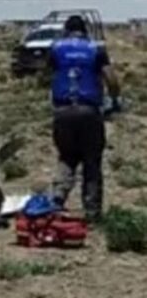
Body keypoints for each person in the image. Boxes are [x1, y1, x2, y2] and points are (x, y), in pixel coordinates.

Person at [49, 15, 121, 221]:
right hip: (89, 111)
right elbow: (111, 79)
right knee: (91, 160)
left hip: (63, 111)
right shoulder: (96, 49)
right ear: (85, 30)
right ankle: (92, 211)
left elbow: (50, 74)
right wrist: (114, 99)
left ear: (66, 30)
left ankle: (57, 198)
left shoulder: (56, 49)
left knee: (66, 156)